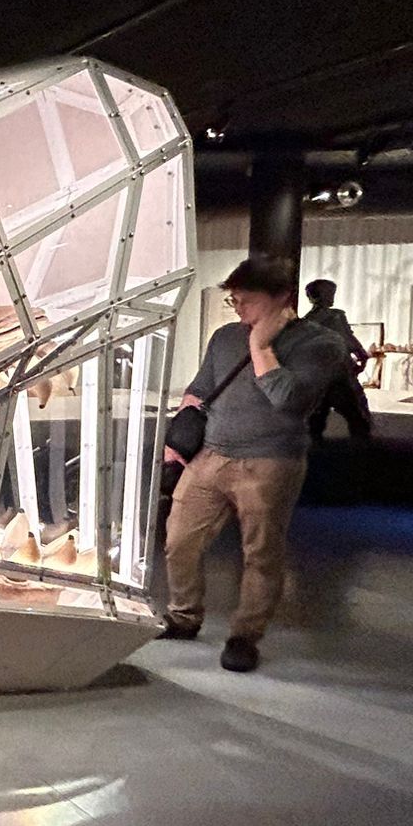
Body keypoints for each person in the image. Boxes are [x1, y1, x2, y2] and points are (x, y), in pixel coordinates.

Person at [157, 257, 343, 672]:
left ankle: (245, 635)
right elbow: (200, 388)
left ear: (282, 298)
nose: (239, 308)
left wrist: (261, 346)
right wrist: (179, 439)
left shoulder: (320, 344)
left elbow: (288, 399)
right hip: (211, 454)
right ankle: (183, 615)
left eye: (248, 301)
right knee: (179, 539)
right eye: (234, 300)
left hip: (270, 460)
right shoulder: (225, 337)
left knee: (261, 552)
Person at [302, 278, 373, 440]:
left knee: (317, 417)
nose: (332, 296)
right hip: (339, 374)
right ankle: (362, 447)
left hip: (317, 375)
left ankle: (314, 448)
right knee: (356, 413)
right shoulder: (335, 316)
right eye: (329, 293)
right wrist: (361, 355)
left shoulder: (307, 321)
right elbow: (347, 338)